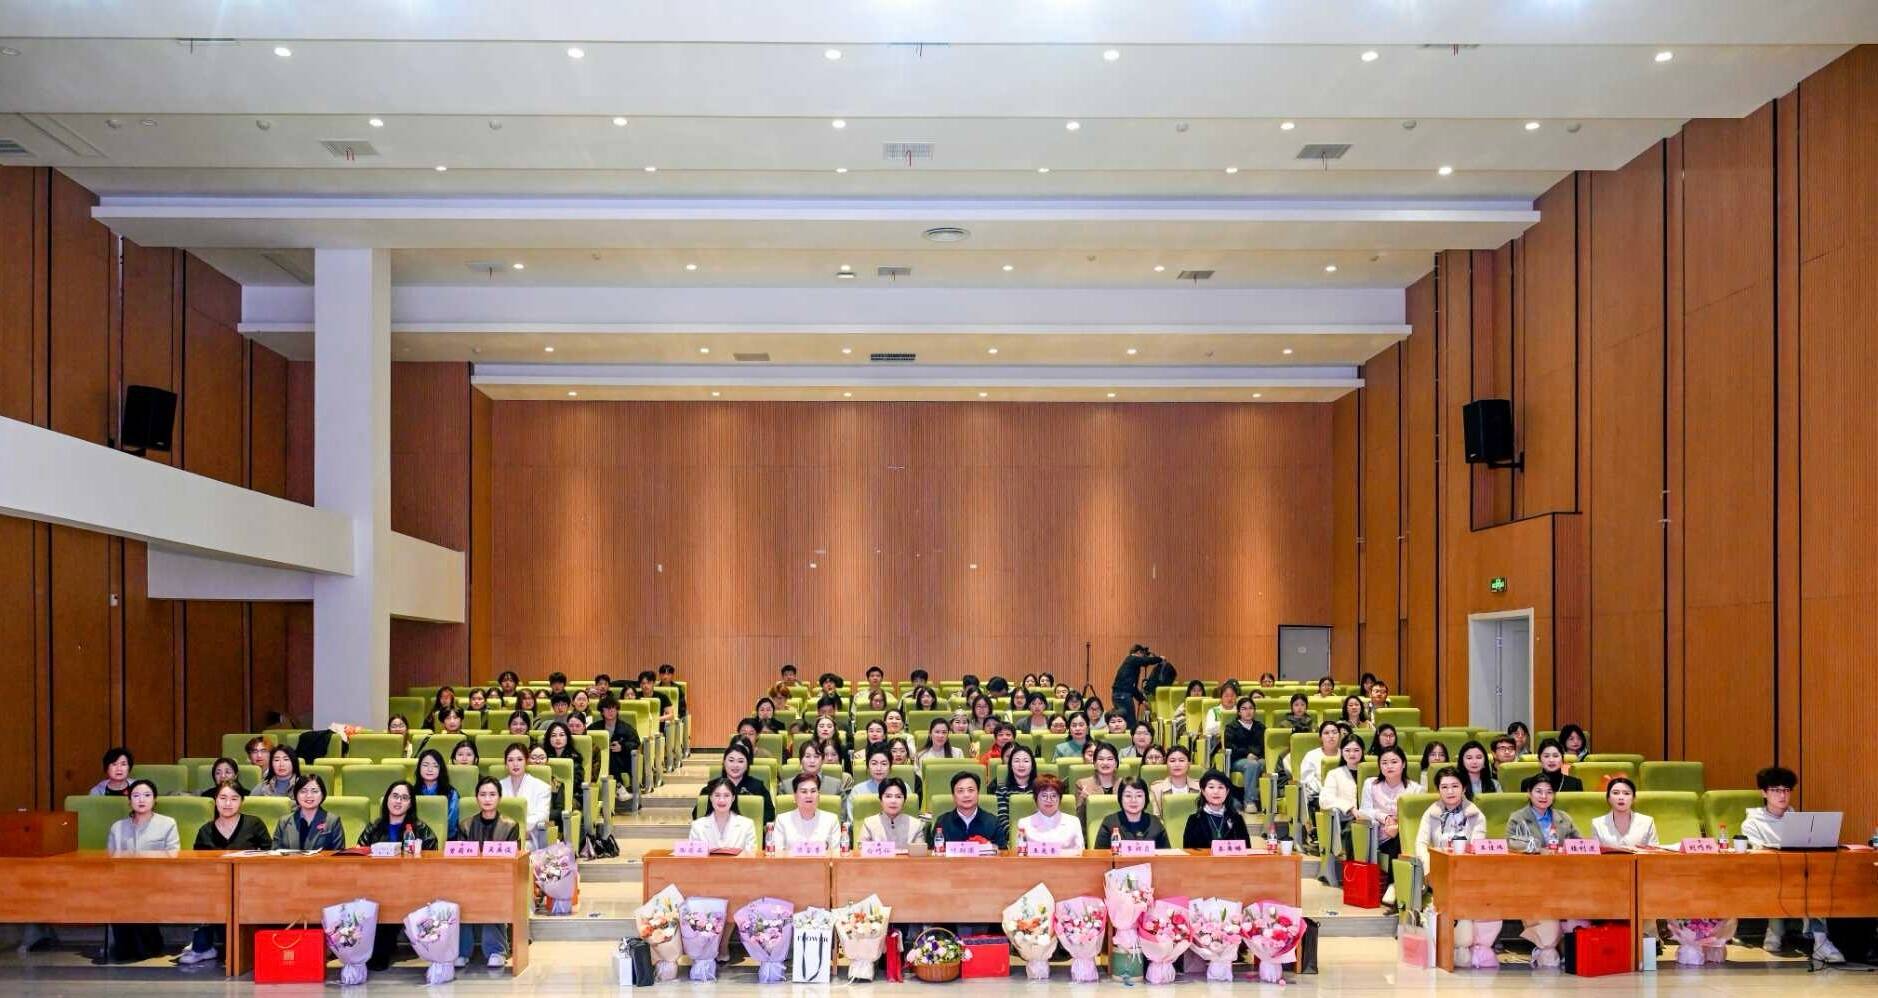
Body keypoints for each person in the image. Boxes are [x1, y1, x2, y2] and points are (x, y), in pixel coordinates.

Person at [1742, 766, 1843, 962]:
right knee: (1806, 885)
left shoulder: (1799, 820)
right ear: (1764, 792)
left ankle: (1820, 942)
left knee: (1817, 883)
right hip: (1769, 875)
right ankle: (1784, 932)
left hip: (1799, 873)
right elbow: (1754, 856)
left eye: (1786, 790)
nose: (1782, 795)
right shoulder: (1752, 823)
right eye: (1776, 790)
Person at [176, 781, 271, 965]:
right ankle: (202, 947)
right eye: (223, 798)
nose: (228, 803)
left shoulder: (254, 824)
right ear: (215, 800)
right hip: (214, 886)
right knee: (200, 891)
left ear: (242, 801)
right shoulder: (205, 830)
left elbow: (268, 856)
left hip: (250, 884)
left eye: (234, 799)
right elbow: (199, 866)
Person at [1413, 768, 1497, 967]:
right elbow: (1420, 844)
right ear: (1438, 790)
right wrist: (1429, 869)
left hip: (1467, 873)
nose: (1450, 791)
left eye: (1454, 786)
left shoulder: (1475, 815)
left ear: (1464, 788)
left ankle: (1471, 946)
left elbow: (1477, 847)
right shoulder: (1431, 813)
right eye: (1444, 787)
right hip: (1438, 873)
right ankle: (1457, 946)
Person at [1505, 775, 1579, 967]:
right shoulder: (1518, 818)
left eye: (1549, 792)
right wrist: (1539, 849)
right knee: (1548, 938)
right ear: (1529, 793)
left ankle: (1567, 949)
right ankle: (1545, 949)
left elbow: (1578, 843)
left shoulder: (1564, 818)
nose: (1544, 796)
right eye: (1538, 791)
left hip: (1563, 879)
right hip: (1531, 881)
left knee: (1578, 919)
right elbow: (1511, 842)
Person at [102, 779, 177, 962]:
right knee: (120, 893)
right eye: (136, 796)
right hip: (124, 881)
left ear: (155, 799)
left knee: (139, 894)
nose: (141, 800)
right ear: (129, 801)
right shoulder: (118, 827)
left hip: (157, 879)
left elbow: (173, 855)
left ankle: (149, 944)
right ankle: (124, 945)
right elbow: (110, 859)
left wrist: (140, 857)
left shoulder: (167, 823)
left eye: (147, 795)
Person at [454, 777, 521, 968]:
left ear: (499, 798)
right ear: (477, 798)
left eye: (492, 794)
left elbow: (513, 858)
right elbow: (460, 858)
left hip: (499, 878)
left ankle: (497, 951)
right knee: (461, 894)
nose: (487, 799)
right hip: (470, 878)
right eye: (483, 794)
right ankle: (462, 951)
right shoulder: (465, 825)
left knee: (493, 893)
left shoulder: (510, 825)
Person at [1359, 746, 1416, 902]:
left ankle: (1394, 886)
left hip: (1402, 836)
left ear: (1403, 764)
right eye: (1384, 763)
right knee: (1399, 839)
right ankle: (1395, 886)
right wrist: (1383, 817)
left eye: (1394, 762)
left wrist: (1398, 827)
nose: (1389, 766)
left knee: (1401, 838)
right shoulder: (1371, 784)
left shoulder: (1415, 788)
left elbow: (1415, 818)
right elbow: (1364, 810)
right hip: (1378, 836)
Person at [1293, 721, 1343, 850]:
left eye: (1334, 732)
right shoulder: (1312, 755)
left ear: (1340, 735)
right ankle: (1320, 836)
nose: (1331, 736)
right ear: (1320, 737)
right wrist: (1326, 789)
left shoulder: (1345, 754)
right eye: (1326, 733)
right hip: (1319, 794)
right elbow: (1306, 780)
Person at [929, 771, 1005, 848]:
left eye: (970, 790)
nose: (966, 795)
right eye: (960, 791)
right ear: (953, 796)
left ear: (978, 793)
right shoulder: (942, 822)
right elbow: (932, 852)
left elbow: (1003, 852)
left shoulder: (993, 822)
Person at [542, 720, 587, 850]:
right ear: (548, 738)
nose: (558, 739)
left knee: (558, 809)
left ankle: (558, 840)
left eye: (562, 735)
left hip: (571, 797)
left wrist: (555, 785)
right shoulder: (542, 758)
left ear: (567, 738)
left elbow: (575, 784)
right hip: (547, 796)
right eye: (553, 735)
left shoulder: (575, 758)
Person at [499, 744, 554, 850]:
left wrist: (517, 829)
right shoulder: (497, 787)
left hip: (529, 838)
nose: (515, 764)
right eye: (510, 760)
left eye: (520, 759)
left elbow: (542, 816)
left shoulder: (542, 787)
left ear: (526, 762)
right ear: (505, 764)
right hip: (501, 837)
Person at [273, 774, 347, 850]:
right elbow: (274, 853)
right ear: (296, 795)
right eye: (303, 791)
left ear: (322, 794)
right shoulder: (284, 821)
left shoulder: (333, 821)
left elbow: (339, 854)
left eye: (314, 791)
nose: (309, 795)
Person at [1015, 775, 1085, 855]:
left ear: (1060, 799)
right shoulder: (1023, 823)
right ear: (1036, 798)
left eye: (1053, 795)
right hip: (1034, 863)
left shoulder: (1073, 822)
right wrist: (1062, 851)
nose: (1049, 800)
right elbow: (1021, 852)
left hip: (1066, 863)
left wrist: (1036, 850)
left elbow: (1080, 852)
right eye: (1044, 795)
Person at [773, 772, 842, 850]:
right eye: (804, 792)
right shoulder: (782, 820)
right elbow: (778, 853)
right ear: (795, 796)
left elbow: (836, 854)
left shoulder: (832, 820)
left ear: (818, 795)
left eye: (813, 791)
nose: (809, 796)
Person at [688, 777, 757, 855]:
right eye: (717, 795)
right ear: (710, 798)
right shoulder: (697, 826)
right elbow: (693, 857)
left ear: (733, 798)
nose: (721, 800)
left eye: (726, 795)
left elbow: (751, 855)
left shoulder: (747, 825)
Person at [1094, 777, 1169, 849]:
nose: (1133, 800)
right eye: (1128, 796)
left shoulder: (1155, 823)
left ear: (1146, 798)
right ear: (1120, 798)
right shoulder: (1109, 823)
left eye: (1139, 795)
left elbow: (1167, 854)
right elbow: (1099, 855)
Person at [1182, 770, 1250, 848]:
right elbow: (1189, 851)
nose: (1216, 791)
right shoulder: (1194, 820)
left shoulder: (1237, 819)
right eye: (1211, 787)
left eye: (1221, 787)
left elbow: (1246, 849)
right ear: (1203, 791)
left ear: (1227, 792)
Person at [1222, 696, 1267, 810]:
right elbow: (1230, 747)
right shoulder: (1231, 727)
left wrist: (1255, 755)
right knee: (1252, 765)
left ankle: (1268, 802)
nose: (1248, 711)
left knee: (1264, 764)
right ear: (1238, 712)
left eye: (1251, 708)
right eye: (1244, 708)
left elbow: (1263, 746)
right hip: (1237, 760)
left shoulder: (1260, 727)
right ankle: (1250, 801)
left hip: (1257, 758)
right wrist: (1247, 754)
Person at [859, 778, 926, 851]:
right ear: (880, 800)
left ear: (904, 800)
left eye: (898, 797)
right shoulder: (869, 823)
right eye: (888, 796)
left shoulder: (916, 825)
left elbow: (920, 854)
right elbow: (862, 851)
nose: (893, 801)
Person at [596, 695, 640, 805]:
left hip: (621, 761)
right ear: (602, 712)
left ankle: (619, 786)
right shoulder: (595, 727)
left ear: (617, 710)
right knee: (607, 752)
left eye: (613, 708)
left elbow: (636, 743)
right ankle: (618, 787)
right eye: (607, 708)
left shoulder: (626, 728)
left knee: (611, 752)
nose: (610, 711)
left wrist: (622, 747)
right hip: (599, 763)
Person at [989, 746, 1038, 829]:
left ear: (1032, 765)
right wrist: (1014, 834)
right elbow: (1002, 819)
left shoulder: (1040, 789)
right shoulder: (1002, 790)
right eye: (1016, 761)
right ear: (1011, 766)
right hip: (1012, 834)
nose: (1021, 765)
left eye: (1026, 761)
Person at [413, 748, 460, 834]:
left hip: (445, 837)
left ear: (441, 769)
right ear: (419, 767)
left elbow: (451, 823)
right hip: (416, 836)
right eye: (425, 765)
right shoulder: (411, 792)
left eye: (435, 766)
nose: (430, 769)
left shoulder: (451, 793)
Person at [1111, 644, 1158, 727]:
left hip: (1119, 695)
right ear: (1138, 652)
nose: (1143, 657)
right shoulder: (1132, 658)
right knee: (1130, 723)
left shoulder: (1131, 664)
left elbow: (1133, 688)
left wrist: (1142, 700)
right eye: (1143, 655)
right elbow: (1146, 661)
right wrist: (1160, 658)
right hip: (1123, 696)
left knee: (1124, 722)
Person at [1074, 742, 1123, 815]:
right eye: (1101, 759)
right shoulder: (1083, 784)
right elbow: (1079, 817)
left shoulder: (1125, 785)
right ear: (1094, 764)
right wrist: (1083, 801)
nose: (1105, 763)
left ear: (1116, 763)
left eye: (1110, 759)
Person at [1149, 745, 1199, 814]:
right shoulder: (1155, 789)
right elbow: (1155, 816)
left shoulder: (1200, 787)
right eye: (1172, 761)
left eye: (1181, 760)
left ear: (1189, 764)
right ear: (1166, 764)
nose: (1177, 764)